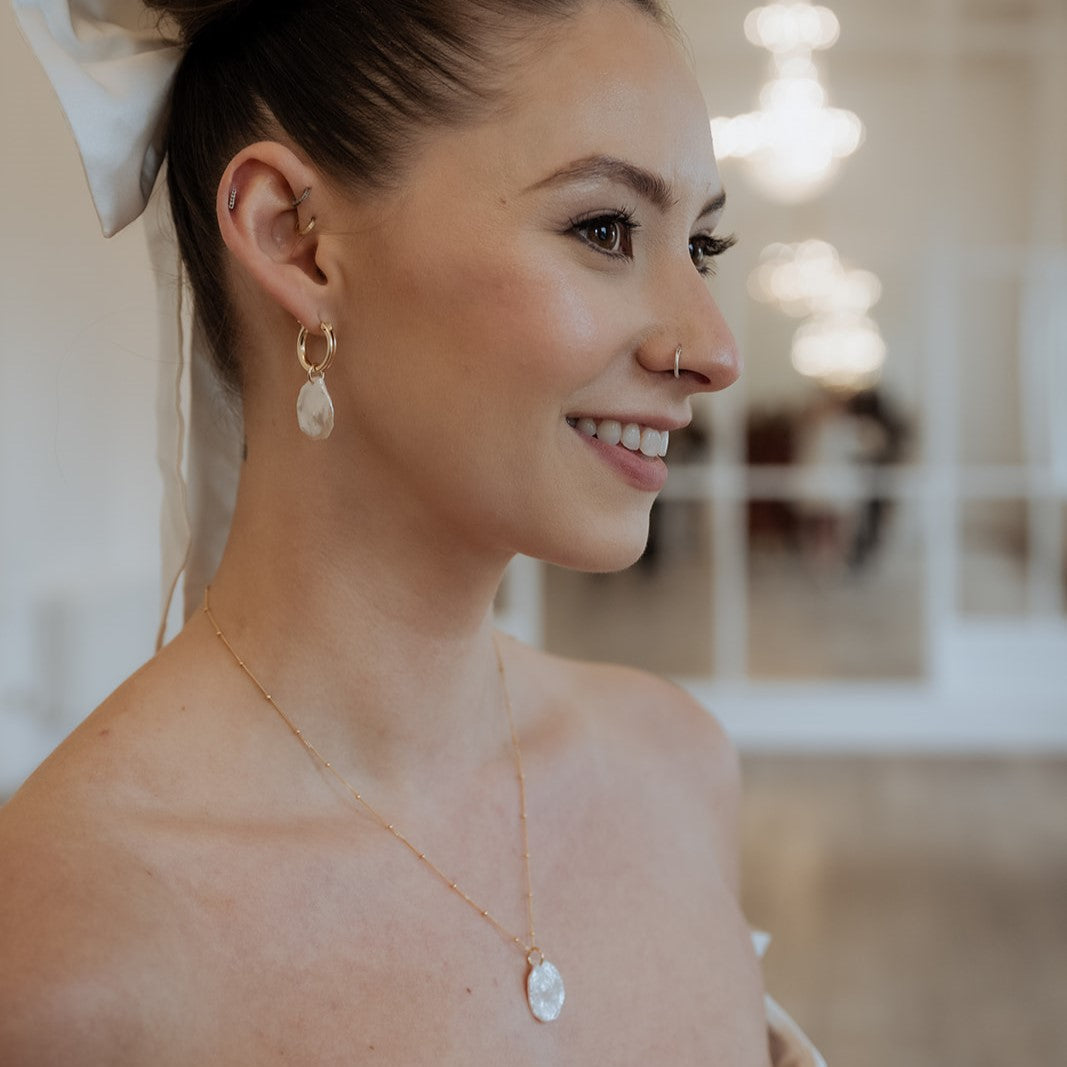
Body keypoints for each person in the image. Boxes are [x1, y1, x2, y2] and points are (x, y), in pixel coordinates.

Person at [1, 1, 825, 1062]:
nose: (713, 349)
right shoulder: (66, 949)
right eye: (604, 229)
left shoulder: (678, 766)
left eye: (699, 244)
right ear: (296, 239)